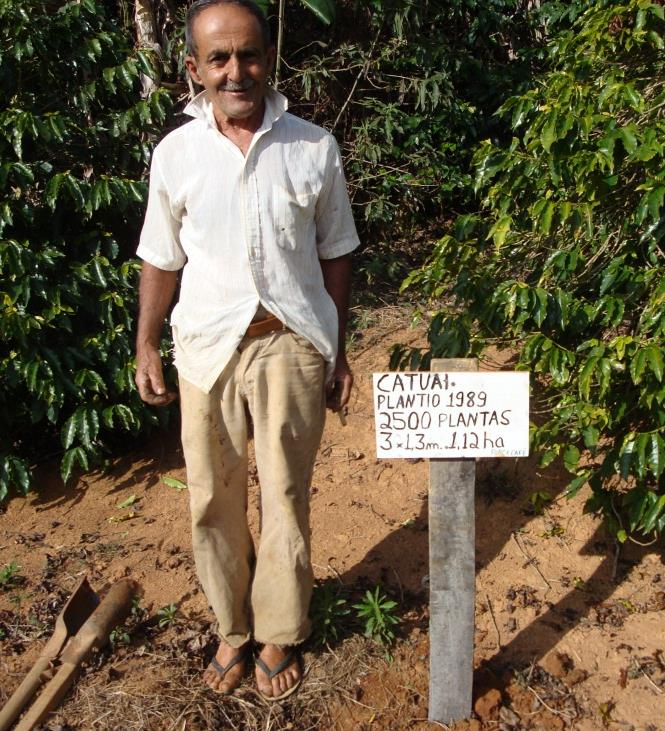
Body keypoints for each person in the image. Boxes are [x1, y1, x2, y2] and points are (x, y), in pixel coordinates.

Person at [134, 0, 359, 701]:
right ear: (194, 67)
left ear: (269, 56)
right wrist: (145, 339)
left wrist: (338, 347)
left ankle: (278, 630)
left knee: (285, 495)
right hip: (205, 348)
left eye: (250, 54)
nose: (237, 71)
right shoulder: (174, 153)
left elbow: (338, 254)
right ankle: (232, 626)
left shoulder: (312, 146)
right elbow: (160, 257)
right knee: (211, 496)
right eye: (220, 58)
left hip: (291, 345)